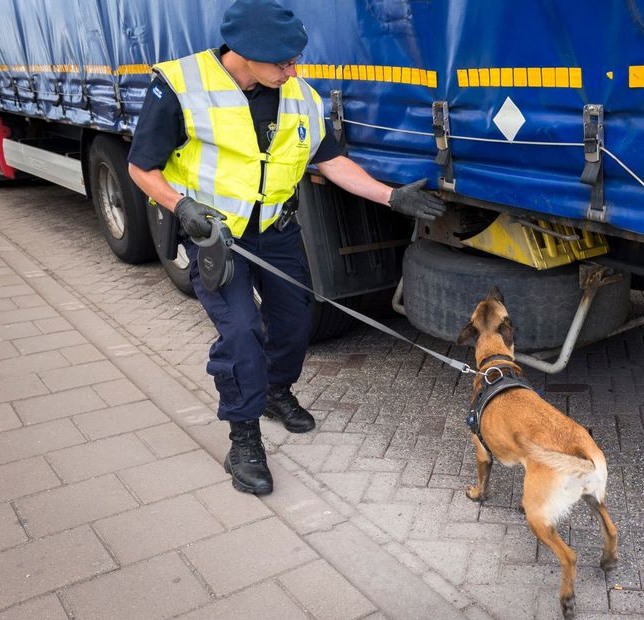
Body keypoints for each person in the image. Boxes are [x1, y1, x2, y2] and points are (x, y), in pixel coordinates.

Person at [128, 0, 445, 495]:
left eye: (295, 60)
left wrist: (391, 197)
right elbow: (140, 167)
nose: (292, 70)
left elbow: (331, 161)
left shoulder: (299, 95)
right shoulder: (179, 86)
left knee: (296, 323)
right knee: (241, 334)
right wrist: (181, 207)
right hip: (217, 237)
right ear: (243, 53)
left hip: (276, 231)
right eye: (283, 62)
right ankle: (244, 436)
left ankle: (276, 391)